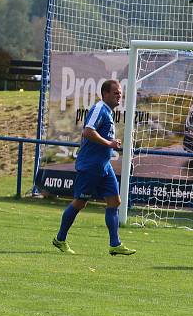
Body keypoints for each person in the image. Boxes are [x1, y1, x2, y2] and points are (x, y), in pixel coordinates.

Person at [52, 79, 136, 256]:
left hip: (103, 166)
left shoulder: (108, 112)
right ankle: (60, 239)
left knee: (114, 202)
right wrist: (109, 143)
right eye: (115, 93)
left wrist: (110, 144)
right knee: (79, 203)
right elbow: (87, 131)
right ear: (105, 94)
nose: (119, 96)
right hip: (90, 165)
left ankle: (115, 244)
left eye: (120, 93)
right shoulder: (99, 108)